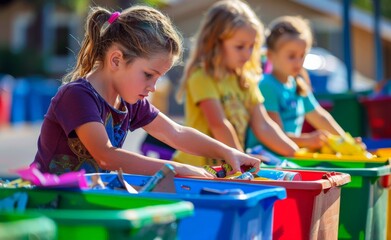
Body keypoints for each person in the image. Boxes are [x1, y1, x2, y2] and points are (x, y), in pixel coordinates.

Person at [31, 5, 261, 177]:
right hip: (49, 205)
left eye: (158, 78)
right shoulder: (77, 96)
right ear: (116, 60)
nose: (153, 87)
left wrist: (230, 153)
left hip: (88, 203)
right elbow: (106, 155)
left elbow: (176, 133)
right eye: (148, 75)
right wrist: (178, 169)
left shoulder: (129, 101)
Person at [174, 0, 299, 167]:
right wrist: (241, 159)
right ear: (216, 43)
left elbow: (263, 125)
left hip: (228, 168)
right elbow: (219, 125)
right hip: (195, 169)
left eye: (251, 46)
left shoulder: (246, 80)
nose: (247, 53)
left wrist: (295, 152)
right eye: (240, 47)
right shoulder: (202, 76)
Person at [246, 16, 356, 152]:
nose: (298, 62)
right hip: (264, 158)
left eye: (302, 55)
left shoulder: (298, 84)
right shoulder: (267, 86)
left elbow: (320, 118)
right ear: (270, 55)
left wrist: (346, 142)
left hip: (288, 155)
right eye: (291, 56)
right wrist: (308, 140)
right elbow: (274, 136)